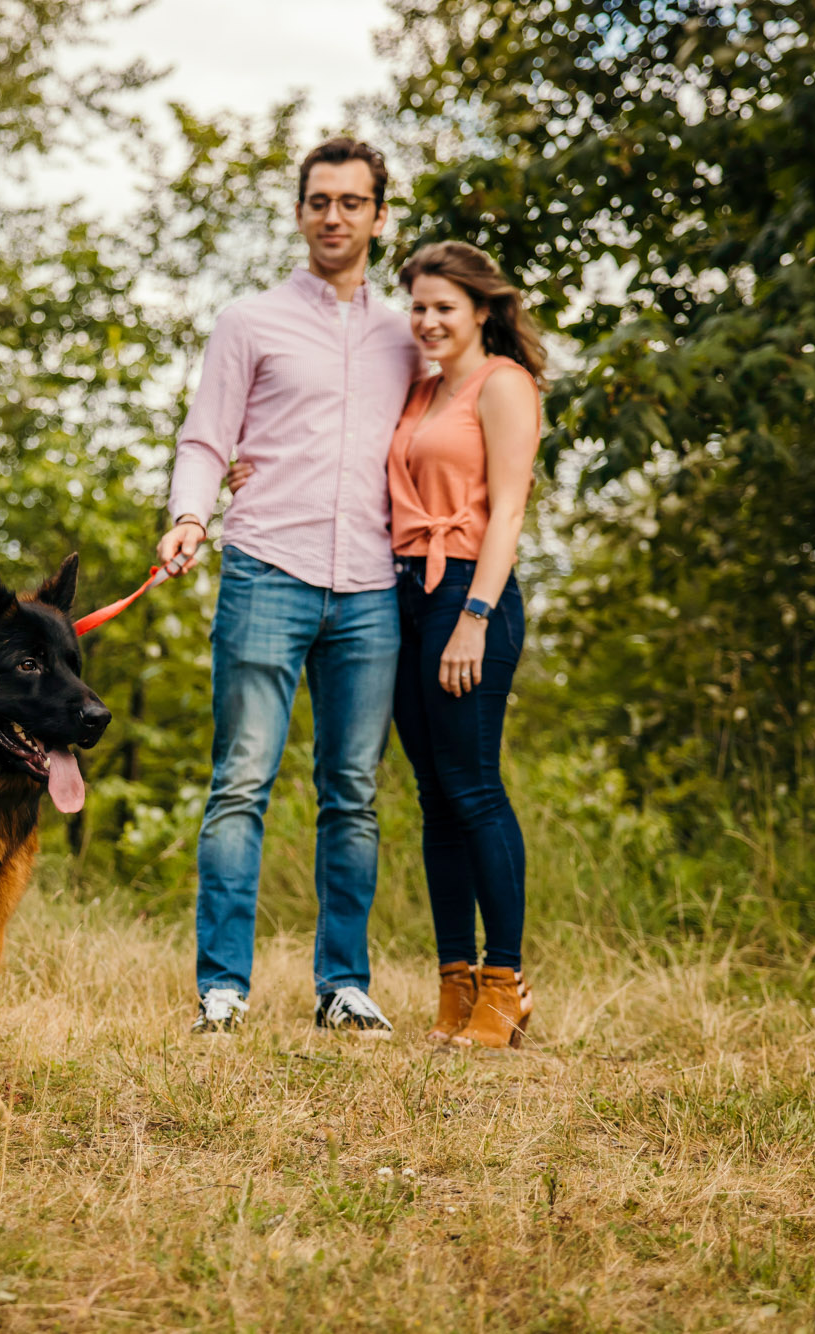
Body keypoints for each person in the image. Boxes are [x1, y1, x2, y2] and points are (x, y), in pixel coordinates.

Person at [157, 138, 424, 1037]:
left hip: (374, 586)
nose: (335, 216)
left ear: (380, 217)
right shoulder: (249, 321)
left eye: (353, 202)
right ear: (300, 212)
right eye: (320, 200)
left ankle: (343, 983)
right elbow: (205, 436)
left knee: (353, 791)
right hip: (267, 568)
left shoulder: (408, 334)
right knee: (241, 782)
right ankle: (222, 989)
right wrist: (192, 514)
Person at [387, 241, 544, 1048]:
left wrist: (474, 617)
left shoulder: (503, 384)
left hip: (467, 594)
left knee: (474, 787)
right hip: (407, 593)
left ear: (483, 310)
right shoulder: (417, 390)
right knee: (434, 797)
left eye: (444, 306)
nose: (428, 320)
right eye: (417, 305)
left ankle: (504, 982)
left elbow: (509, 513)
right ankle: (453, 985)